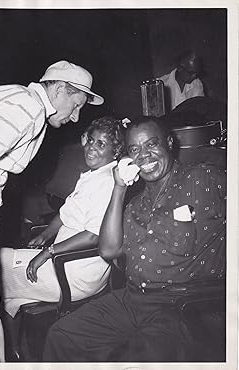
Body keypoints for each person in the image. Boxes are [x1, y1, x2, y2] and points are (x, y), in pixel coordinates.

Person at [0, 60, 103, 363]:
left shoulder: (7, 94)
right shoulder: (29, 107)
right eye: (76, 104)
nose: (76, 117)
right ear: (59, 89)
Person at [43, 116, 226, 362]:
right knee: (63, 334)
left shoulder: (202, 178)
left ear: (169, 143)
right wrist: (119, 187)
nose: (144, 156)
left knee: (135, 357)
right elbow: (108, 251)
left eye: (152, 144)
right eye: (135, 150)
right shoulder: (135, 204)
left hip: (181, 303)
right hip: (133, 300)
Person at [0, 116, 125, 360]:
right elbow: (66, 213)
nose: (91, 147)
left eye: (101, 144)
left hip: (74, 271)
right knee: (7, 288)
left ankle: (2, 349)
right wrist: (46, 234)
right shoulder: (92, 175)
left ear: (116, 151)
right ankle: (13, 353)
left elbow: (94, 236)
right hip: (64, 259)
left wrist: (48, 251)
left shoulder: (108, 182)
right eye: (90, 140)